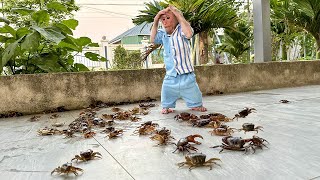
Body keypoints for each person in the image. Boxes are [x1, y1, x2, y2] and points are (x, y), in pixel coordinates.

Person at [150, 5, 207, 114]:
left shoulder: (181, 30)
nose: (165, 21)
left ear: (176, 19)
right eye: (163, 19)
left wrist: (178, 14)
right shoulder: (162, 34)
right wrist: (156, 19)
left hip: (186, 74)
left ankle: (196, 105)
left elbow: (189, 34)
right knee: (166, 93)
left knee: (194, 93)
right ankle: (167, 106)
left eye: (168, 18)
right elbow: (152, 39)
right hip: (171, 76)